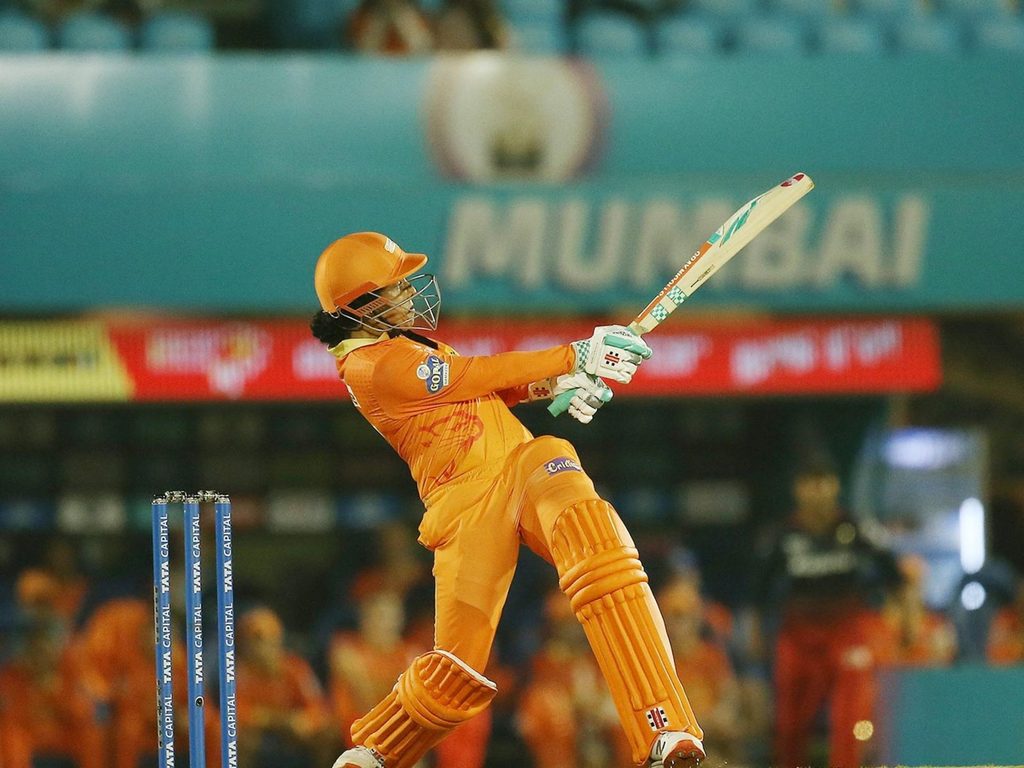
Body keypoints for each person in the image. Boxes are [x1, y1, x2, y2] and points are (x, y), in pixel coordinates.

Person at [309, 231, 705, 768]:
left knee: (598, 548)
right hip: (464, 508)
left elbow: (484, 394)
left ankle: (666, 730)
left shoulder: (396, 348)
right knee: (456, 670)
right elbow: (479, 374)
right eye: (396, 286)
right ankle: (371, 755)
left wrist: (562, 381)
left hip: (523, 468)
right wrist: (577, 354)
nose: (409, 293)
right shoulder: (374, 366)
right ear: (360, 304)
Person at [751, 456, 902, 768]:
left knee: (850, 719)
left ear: (835, 486)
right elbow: (758, 591)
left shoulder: (855, 527)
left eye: (824, 482)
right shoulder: (783, 534)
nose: (817, 491)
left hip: (845, 633)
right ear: (798, 489)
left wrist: (903, 617)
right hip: (798, 636)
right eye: (810, 483)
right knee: (789, 724)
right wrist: (755, 633)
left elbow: (894, 575)